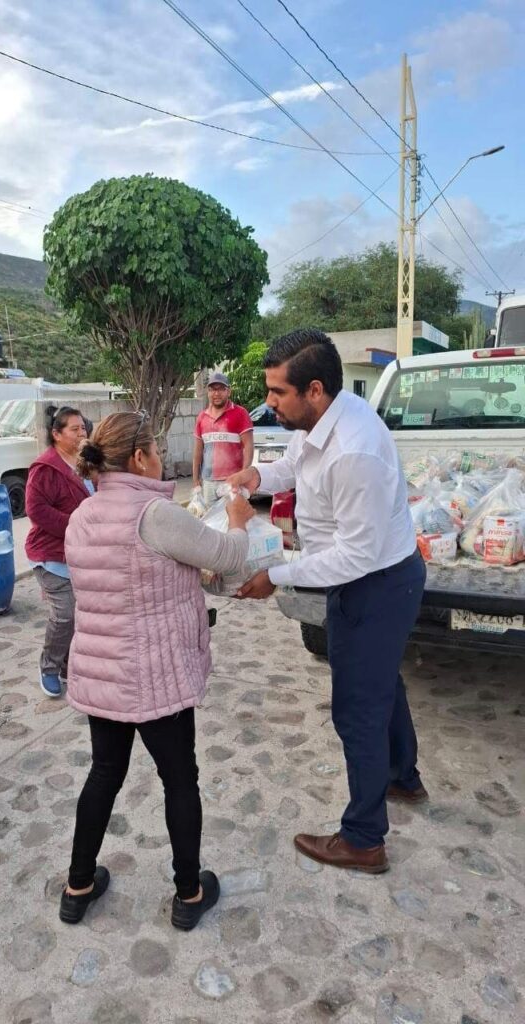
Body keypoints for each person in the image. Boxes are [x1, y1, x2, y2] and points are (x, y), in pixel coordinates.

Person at [228, 329, 426, 874]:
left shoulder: (354, 450)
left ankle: (363, 839)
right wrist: (256, 475)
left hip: (374, 583)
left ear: (314, 389)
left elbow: (354, 556)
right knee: (382, 685)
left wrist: (277, 576)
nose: (269, 402)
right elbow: (292, 466)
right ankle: (402, 777)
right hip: (371, 576)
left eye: (278, 392)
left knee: (358, 709)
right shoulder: (320, 420)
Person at [58, 411, 254, 930]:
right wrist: (239, 518)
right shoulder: (155, 515)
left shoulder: (83, 515)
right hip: (155, 674)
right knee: (179, 779)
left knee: (104, 774)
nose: (162, 459)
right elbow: (228, 556)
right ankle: (189, 893)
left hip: (103, 673)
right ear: (140, 457)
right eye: (157, 450)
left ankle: (78, 886)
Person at [25, 405, 92, 698]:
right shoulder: (45, 467)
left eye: (83, 428)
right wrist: (75, 525)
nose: (81, 433)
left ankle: (68, 665)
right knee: (64, 615)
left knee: (81, 615)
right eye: (74, 429)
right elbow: (36, 510)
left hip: (82, 553)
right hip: (51, 555)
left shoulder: (86, 462)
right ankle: (49, 667)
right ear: (57, 434)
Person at [192, 372, 254, 508]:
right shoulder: (202, 417)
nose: (216, 393)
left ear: (228, 391)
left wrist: (243, 476)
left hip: (232, 481)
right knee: (210, 519)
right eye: (212, 389)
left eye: (221, 389)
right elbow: (198, 452)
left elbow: (248, 447)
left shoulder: (240, 413)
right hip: (208, 482)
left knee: (233, 518)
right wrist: (196, 480)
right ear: (208, 392)